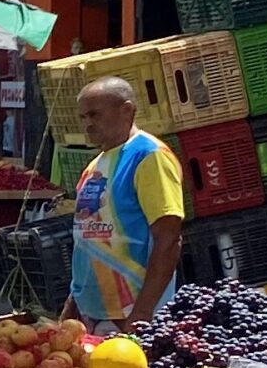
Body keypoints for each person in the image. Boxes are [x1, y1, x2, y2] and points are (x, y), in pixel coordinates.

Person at [63, 77, 186, 330]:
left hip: (130, 316)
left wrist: (142, 312)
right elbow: (86, 240)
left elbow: (169, 238)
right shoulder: (93, 167)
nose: (88, 124)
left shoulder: (149, 156)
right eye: (83, 117)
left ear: (127, 110)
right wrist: (72, 304)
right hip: (91, 314)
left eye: (95, 114)